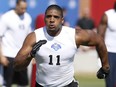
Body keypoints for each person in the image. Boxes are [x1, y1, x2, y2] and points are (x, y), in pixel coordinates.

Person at [13, 5, 110, 87]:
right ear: (44, 18)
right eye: (48, 16)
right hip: (42, 85)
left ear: (62, 20)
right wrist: (31, 55)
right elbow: (17, 66)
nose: (52, 20)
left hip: (67, 84)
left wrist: (105, 67)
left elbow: (99, 40)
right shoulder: (34, 37)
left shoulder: (74, 35)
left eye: (56, 17)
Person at [0, 0, 32, 87]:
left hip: (22, 55)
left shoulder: (28, 17)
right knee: (7, 83)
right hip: (8, 55)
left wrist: (31, 54)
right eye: (22, 8)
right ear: (16, 5)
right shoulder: (6, 17)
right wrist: (1, 56)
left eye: (25, 8)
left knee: (23, 83)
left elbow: (29, 37)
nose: (24, 10)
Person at [97, 2, 116, 87]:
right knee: (110, 83)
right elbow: (99, 37)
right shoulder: (108, 15)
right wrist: (99, 55)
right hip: (110, 52)